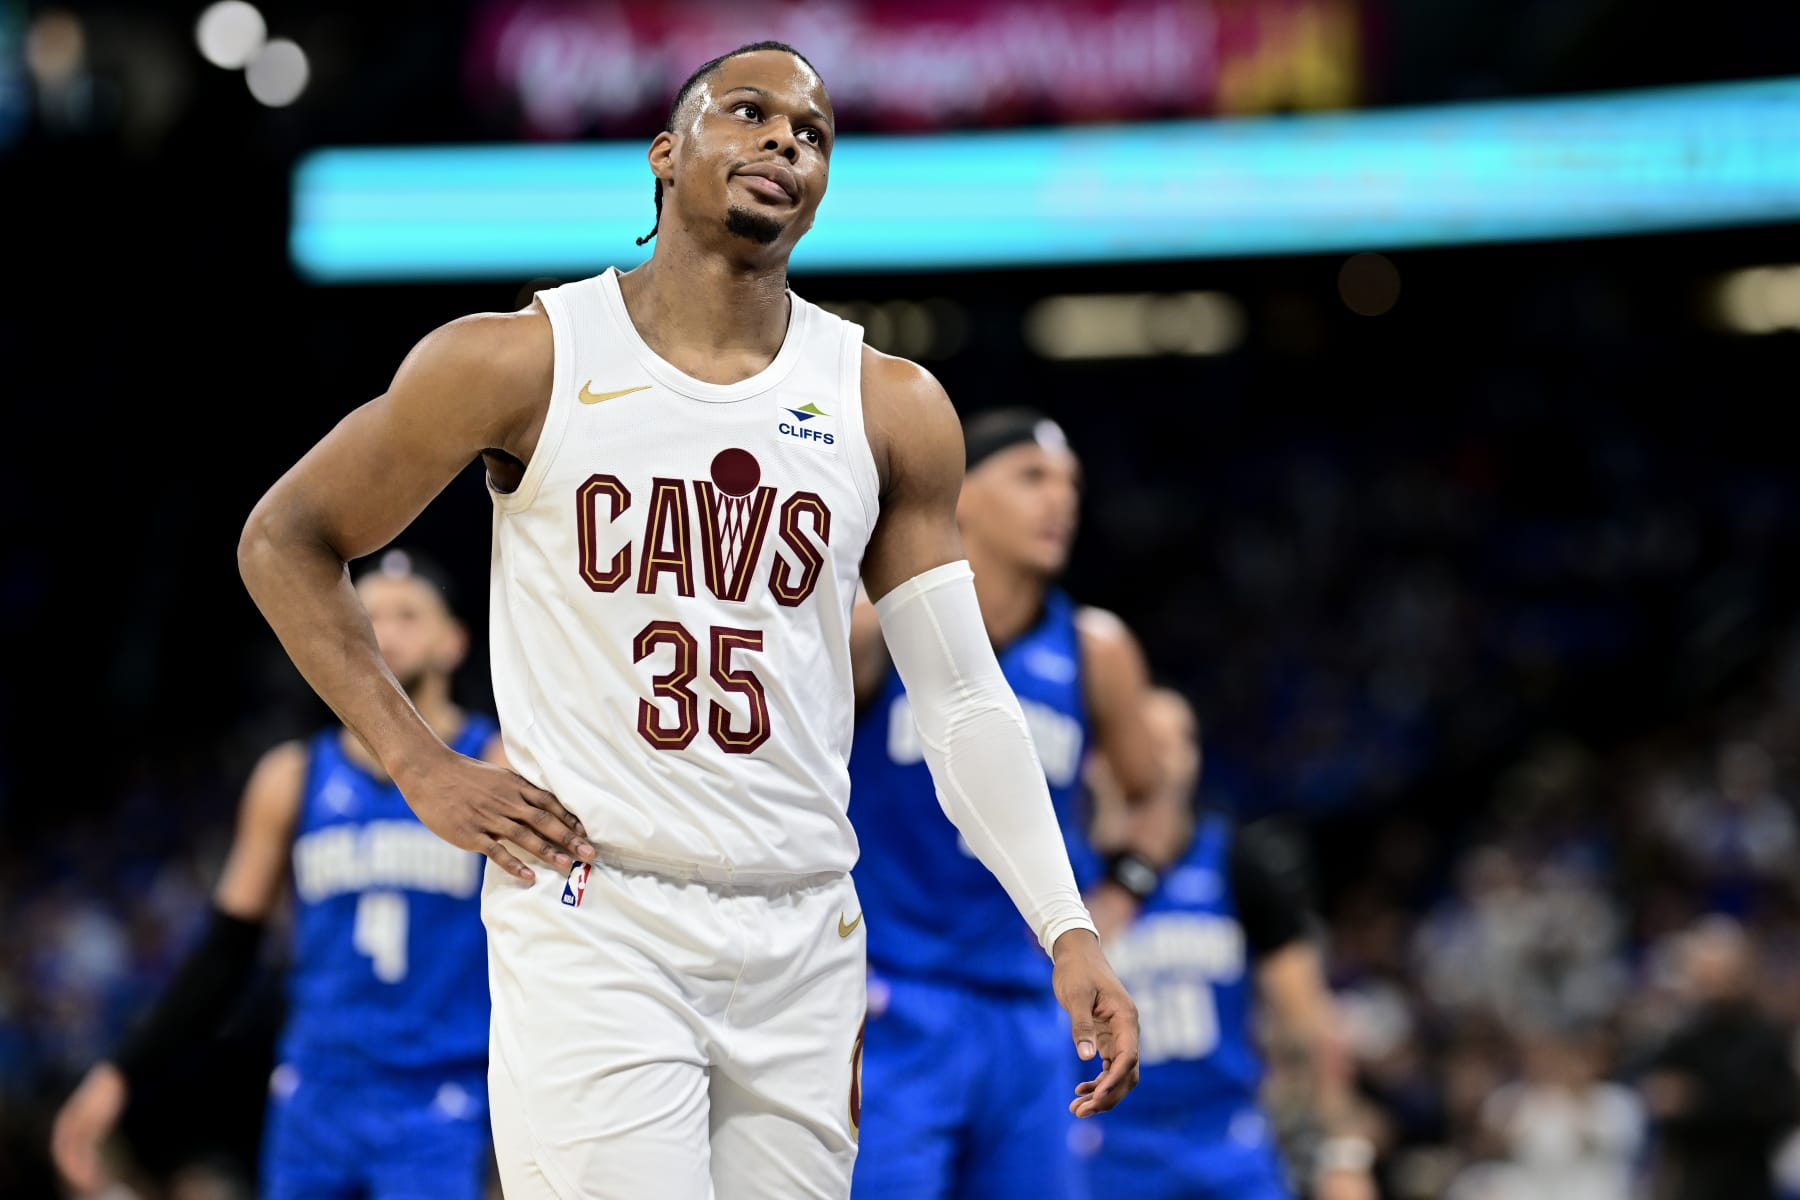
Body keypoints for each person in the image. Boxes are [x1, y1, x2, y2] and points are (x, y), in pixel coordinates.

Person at [233, 39, 1139, 1200]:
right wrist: (419, 763)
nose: (782, 142)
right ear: (667, 154)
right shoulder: (522, 358)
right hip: (598, 908)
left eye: (811, 133)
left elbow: (963, 697)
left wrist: (1066, 926)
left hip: (806, 925)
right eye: (748, 113)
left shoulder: (891, 406)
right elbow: (286, 538)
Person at [50, 547, 503, 1200]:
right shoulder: (291, 778)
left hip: (441, 1095)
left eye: (408, 614)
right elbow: (225, 952)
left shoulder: (494, 764)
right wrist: (121, 1072)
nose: (386, 629)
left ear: (455, 640)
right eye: (368, 613)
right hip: (315, 1093)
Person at [844, 406, 1163, 1198]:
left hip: (1033, 1003)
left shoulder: (1095, 650)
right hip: (892, 994)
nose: (1061, 500)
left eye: (1071, 484)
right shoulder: (869, 630)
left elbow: (1153, 792)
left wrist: (1120, 893)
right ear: (959, 494)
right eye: (1031, 477)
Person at [1079, 686, 1379, 1200]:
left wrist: (1343, 1156)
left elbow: (1309, 1025)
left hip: (1226, 1145)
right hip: (1098, 1151)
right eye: (1148, 741)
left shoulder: (1240, 865)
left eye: (1181, 742)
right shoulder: (1062, 872)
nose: (1166, 760)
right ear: (1099, 758)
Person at [1635, 914, 1800, 1200]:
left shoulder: (1765, 1037)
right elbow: (1660, 1095)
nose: (1711, 982)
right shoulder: (1682, 1035)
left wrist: (1698, 1102)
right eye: (1704, 972)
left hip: (1747, 1180)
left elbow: (1780, 1108)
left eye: (1720, 972)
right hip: (1692, 1182)